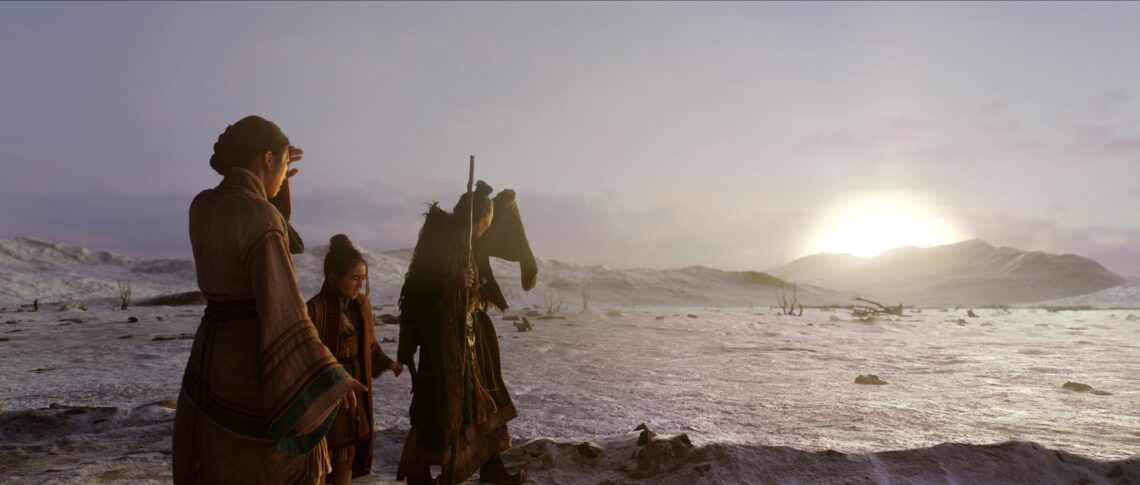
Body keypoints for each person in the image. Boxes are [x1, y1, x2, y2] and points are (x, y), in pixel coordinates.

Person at [173, 115, 366, 484]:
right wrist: (331, 374)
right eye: (282, 164)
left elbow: (269, 226)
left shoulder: (202, 206)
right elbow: (284, 305)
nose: (284, 174)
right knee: (271, 466)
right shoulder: (259, 215)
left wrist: (273, 189)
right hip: (248, 364)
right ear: (266, 159)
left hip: (208, 361)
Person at [396, 180, 538, 485]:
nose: (487, 229)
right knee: (438, 409)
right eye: (485, 223)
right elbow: (415, 291)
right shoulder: (441, 242)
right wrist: (451, 282)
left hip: (473, 340)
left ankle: (491, 467)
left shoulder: (472, 243)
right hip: (443, 344)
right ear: (476, 220)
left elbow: (495, 222)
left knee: (487, 402)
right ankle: (419, 473)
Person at [306, 234, 404, 484]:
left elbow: (368, 345)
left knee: (347, 454)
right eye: (354, 279)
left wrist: (388, 363)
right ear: (332, 277)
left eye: (363, 279)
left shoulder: (361, 306)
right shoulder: (315, 309)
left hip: (355, 395)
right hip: (327, 395)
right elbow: (306, 355)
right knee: (322, 455)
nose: (360, 285)